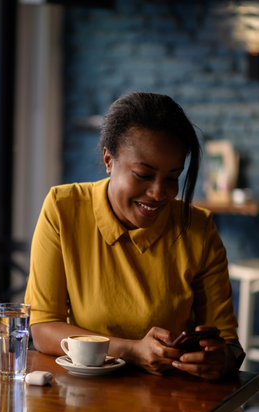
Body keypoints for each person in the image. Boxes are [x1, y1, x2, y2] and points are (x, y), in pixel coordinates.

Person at [25, 91, 245, 380]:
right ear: (108, 159)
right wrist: (131, 351)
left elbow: (229, 345)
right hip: (83, 392)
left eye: (172, 177)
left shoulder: (198, 228)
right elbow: (43, 329)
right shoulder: (63, 209)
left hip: (174, 397)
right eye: (143, 174)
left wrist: (220, 359)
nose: (158, 193)